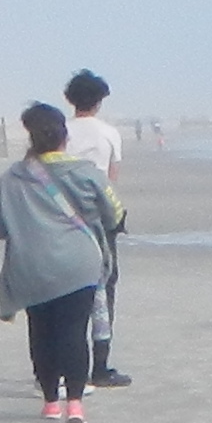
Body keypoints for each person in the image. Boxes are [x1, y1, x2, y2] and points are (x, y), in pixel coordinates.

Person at [0, 100, 113, 423]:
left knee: (40, 331)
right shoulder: (86, 172)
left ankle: (49, 402)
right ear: (64, 136)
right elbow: (113, 210)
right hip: (77, 265)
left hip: (30, 266)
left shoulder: (11, 178)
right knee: (74, 330)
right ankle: (75, 404)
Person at [59, 70, 132, 387]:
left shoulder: (61, 132)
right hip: (99, 219)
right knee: (104, 289)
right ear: (99, 101)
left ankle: (64, 364)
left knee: (66, 291)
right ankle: (100, 365)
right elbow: (111, 182)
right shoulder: (109, 134)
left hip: (62, 217)